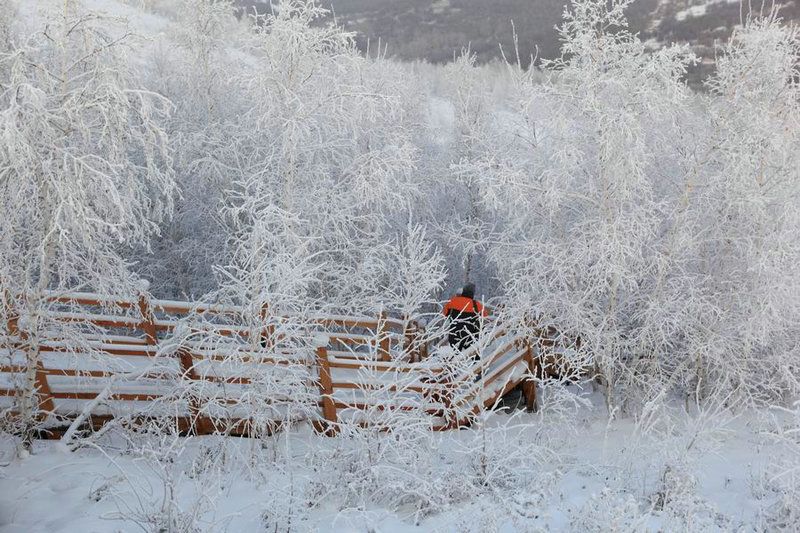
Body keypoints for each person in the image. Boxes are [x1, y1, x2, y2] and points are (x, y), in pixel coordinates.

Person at [442, 283, 487, 354]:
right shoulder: (476, 304)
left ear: (463, 291)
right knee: (474, 354)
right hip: (470, 335)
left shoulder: (452, 301)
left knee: (454, 355)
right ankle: (476, 363)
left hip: (454, 333)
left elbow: (444, 313)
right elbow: (485, 316)